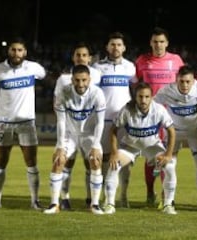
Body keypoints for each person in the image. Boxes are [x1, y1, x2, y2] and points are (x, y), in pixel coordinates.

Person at [0, 37, 46, 210]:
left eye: (19, 50)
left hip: (27, 123)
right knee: (0, 162)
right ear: (8, 51)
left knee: (31, 162)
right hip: (4, 122)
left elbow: (48, 77)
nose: (16, 53)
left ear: (25, 52)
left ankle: (35, 201)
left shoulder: (33, 68)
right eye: (13, 50)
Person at [103, 82, 177, 214]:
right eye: (140, 97)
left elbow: (171, 130)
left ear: (151, 97)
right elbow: (113, 129)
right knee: (114, 165)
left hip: (152, 147)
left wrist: (168, 154)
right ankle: (109, 204)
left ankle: (168, 205)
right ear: (135, 97)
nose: (143, 100)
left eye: (147, 97)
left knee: (170, 167)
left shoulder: (159, 109)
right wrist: (114, 153)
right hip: (130, 147)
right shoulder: (126, 110)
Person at [43, 64, 106, 214]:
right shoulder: (63, 94)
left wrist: (96, 145)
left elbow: (100, 122)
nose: (81, 84)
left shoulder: (97, 93)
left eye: (84, 80)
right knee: (58, 160)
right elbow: (61, 121)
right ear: (72, 79)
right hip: (69, 135)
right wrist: (59, 145)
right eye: (77, 80)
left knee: (95, 161)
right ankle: (54, 204)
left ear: (89, 79)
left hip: (89, 134)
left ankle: (95, 205)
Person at [134, 26, 184, 207]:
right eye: (155, 41)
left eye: (162, 41)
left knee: (165, 155)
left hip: (170, 115)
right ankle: (150, 192)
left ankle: (166, 195)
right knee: (150, 156)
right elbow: (135, 85)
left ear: (167, 43)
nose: (158, 45)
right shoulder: (142, 61)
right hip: (148, 116)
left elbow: (185, 82)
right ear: (150, 43)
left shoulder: (176, 60)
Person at [154, 65, 197, 213]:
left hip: (196, 130)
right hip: (174, 132)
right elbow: (152, 106)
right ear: (176, 80)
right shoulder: (167, 90)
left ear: (194, 81)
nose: (185, 85)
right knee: (170, 165)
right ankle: (169, 201)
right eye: (182, 81)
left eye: (188, 81)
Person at [53, 42, 101, 210]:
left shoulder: (97, 75)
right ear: (73, 57)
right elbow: (57, 103)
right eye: (78, 55)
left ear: (89, 58)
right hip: (70, 129)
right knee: (67, 164)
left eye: (84, 55)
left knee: (92, 163)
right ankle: (64, 199)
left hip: (89, 128)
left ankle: (90, 200)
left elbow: (96, 100)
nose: (81, 57)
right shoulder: (63, 79)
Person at [92, 31, 137, 208]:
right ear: (107, 47)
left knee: (123, 158)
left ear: (124, 48)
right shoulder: (97, 67)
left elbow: (135, 89)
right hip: (103, 120)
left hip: (124, 120)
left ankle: (123, 195)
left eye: (119, 44)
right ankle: (105, 195)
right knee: (104, 158)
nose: (116, 47)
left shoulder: (130, 67)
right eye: (112, 44)